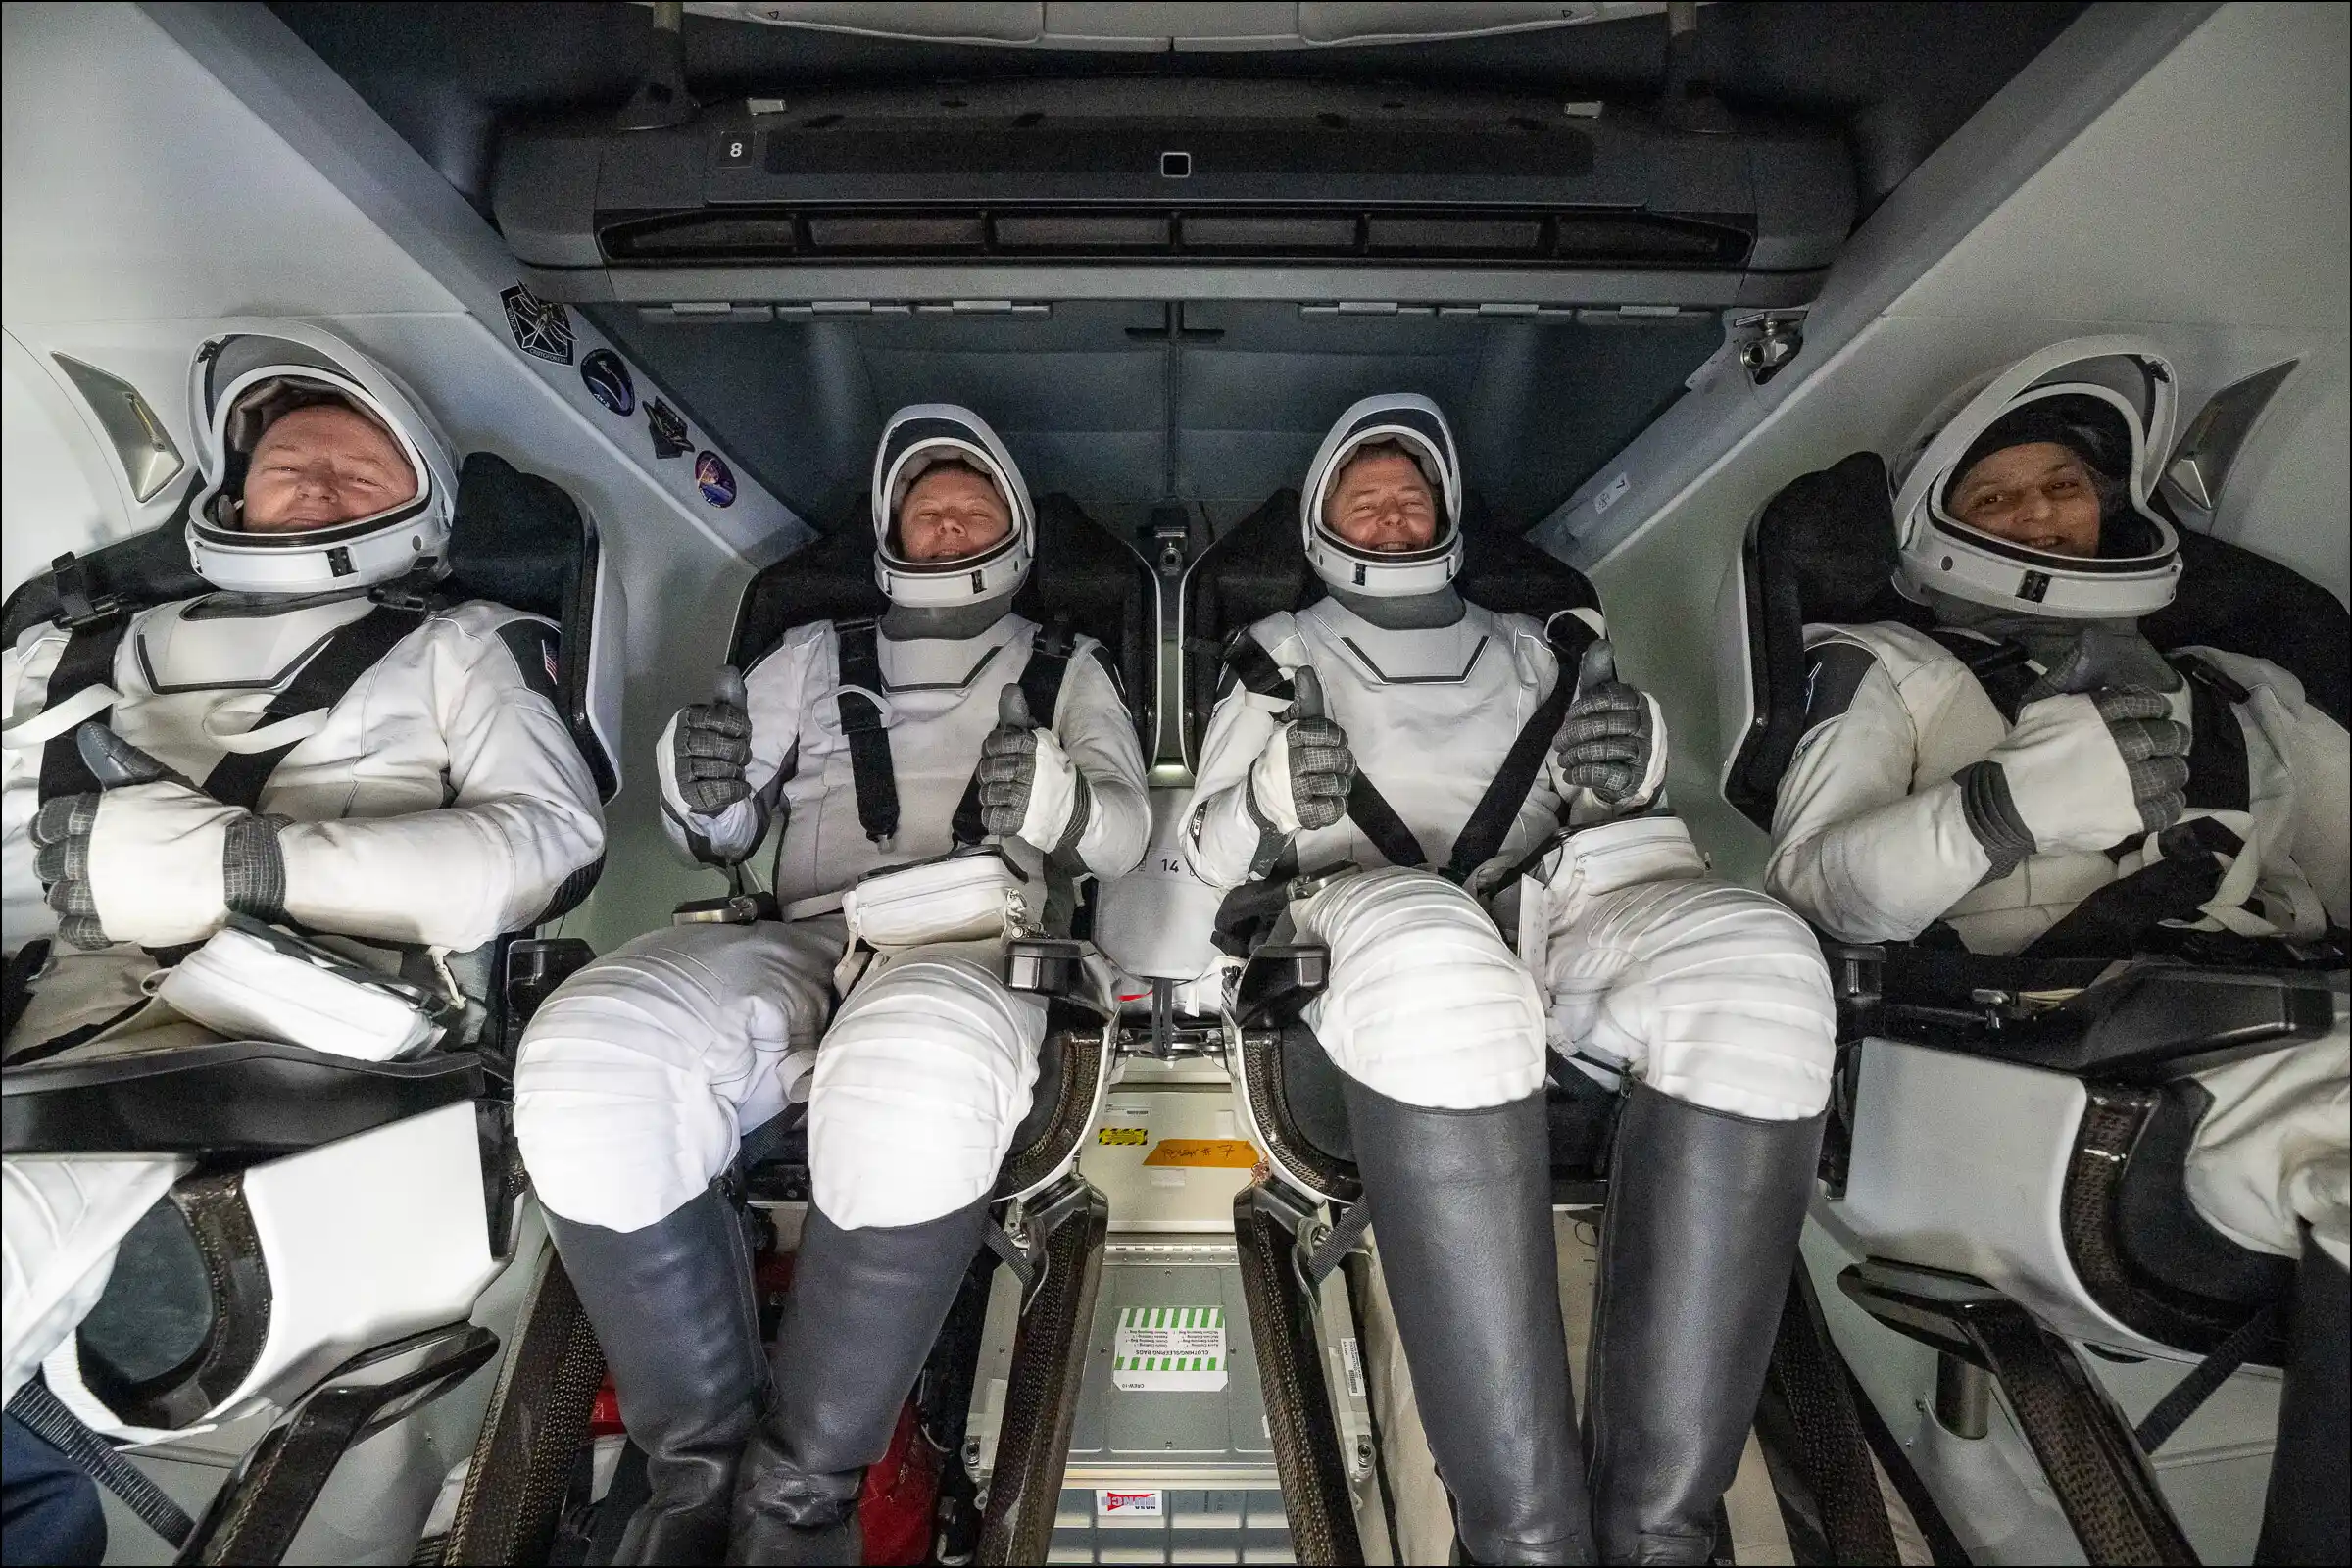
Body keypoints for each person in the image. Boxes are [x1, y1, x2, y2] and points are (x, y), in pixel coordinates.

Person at [1183, 394, 1837, 1566]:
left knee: (1761, 962)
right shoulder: (1276, 662)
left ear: (1449, 513)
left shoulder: (1550, 651)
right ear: (1323, 523)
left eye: (1411, 493)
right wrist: (1264, 802)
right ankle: (1521, 1540)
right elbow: (1175, 890)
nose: (1390, 513)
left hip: (1552, 921)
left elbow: (1608, 820)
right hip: (1361, 932)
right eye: (1363, 496)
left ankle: (1658, 1533)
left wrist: (1630, 770)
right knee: (1444, 958)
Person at [1, 322, 608, 1562]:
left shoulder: (462, 644)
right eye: (293, 462)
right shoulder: (78, 654)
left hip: (287, 1056)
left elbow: (550, 842)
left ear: (426, 511)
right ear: (231, 492)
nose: (322, 484)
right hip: (55, 1035)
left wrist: (249, 864)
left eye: (360, 469)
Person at [513, 404, 1150, 1565]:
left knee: (909, 1064)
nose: (948, 521)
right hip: (805, 934)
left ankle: (801, 1503)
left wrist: (1053, 800)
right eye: (926, 504)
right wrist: (702, 786)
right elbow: (718, 823)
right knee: (590, 1048)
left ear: (1012, 533)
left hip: (972, 941)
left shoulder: (1069, 669)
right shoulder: (808, 658)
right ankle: (696, 1476)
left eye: (972, 505)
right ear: (888, 529)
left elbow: (1122, 834)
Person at [1764, 339, 2347, 1564]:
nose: (2040, 512)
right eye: (1997, 495)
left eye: (2065, 485)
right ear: (1939, 524)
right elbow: (1815, 885)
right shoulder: (1891, 671)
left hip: (2271, 1027)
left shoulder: (2242, 694)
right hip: (2067, 1075)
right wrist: (1995, 811)